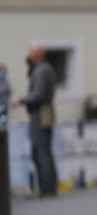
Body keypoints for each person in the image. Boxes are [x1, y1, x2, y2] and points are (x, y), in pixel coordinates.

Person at [11, 44, 58, 197]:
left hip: (41, 115)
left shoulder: (41, 70)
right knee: (43, 150)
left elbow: (38, 95)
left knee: (41, 151)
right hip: (43, 114)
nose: (28, 56)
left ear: (36, 55)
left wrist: (20, 100)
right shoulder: (44, 69)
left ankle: (47, 188)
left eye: (30, 53)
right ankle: (47, 186)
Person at [0, 64, 11, 131]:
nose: (3, 73)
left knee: (4, 124)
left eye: (4, 72)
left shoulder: (7, 82)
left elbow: (10, 92)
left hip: (5, 106)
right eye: (1, 71)